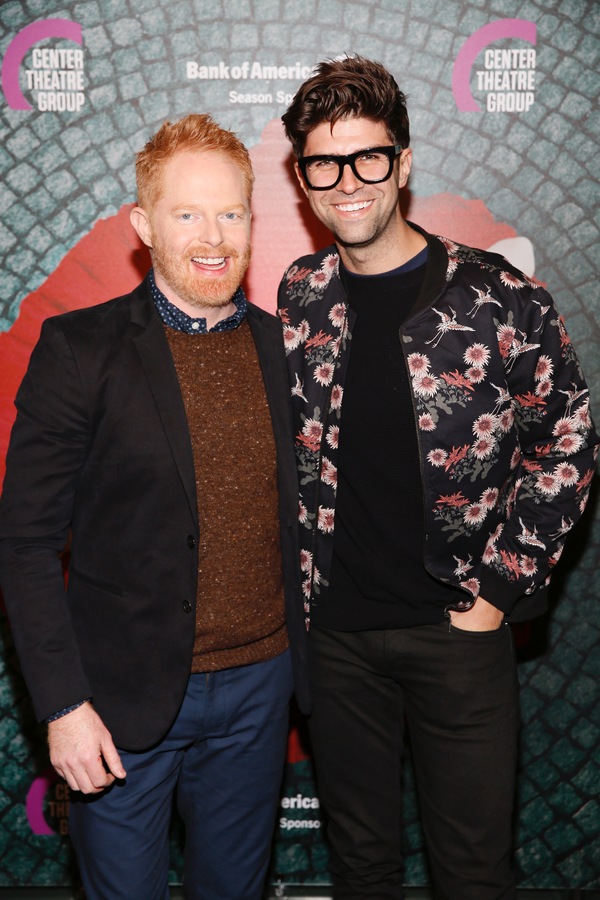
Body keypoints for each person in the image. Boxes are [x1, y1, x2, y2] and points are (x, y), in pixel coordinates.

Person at [278, 56, 598, 899]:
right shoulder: (300, 294)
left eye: (368, 158)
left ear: (404, 163)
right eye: (324, 163)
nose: (347, 182)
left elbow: (567, 444)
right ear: (302, 177)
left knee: (472, 873)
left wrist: (497, 590)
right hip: (337, 641)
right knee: (362, 870)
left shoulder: (498, 297)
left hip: (458, 631)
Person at [0, 112, 309, 900]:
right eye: (187, 213)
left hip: (259, 693)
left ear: (252, 218)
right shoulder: (81, 351)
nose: (214, 235)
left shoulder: (287, 352)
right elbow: (26, 543)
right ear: (144, 225)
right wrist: (64, 704)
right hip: (119, 701)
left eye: (231, 212)